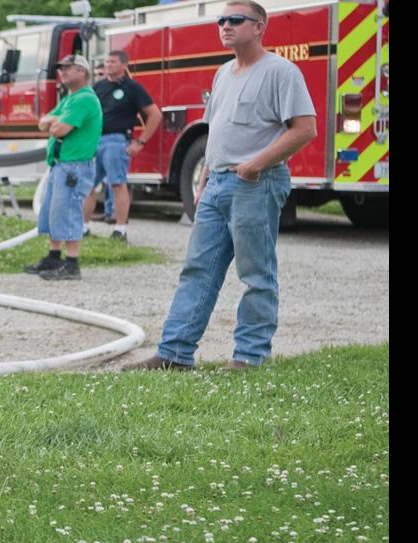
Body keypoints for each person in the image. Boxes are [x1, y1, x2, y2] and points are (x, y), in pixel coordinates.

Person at [126, 2, 316, 371]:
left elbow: (305, 129)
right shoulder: (223, 73)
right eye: (221, 20)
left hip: (256, 183)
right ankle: (174, 354)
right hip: (216, 186)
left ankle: (249, 357)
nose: (225, 26)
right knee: (197, 270)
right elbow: (216, 132)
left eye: (235, 20)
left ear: (259, 26)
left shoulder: (281, 72)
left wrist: (254, 166)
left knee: (256, 273)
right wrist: (206, 176)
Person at [24, 55, 101, 282]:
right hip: (61, 164)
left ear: (83, 72)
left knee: (68, 211)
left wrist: (54, 122)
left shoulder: (84, 99)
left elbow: (59, 130)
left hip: (74, 167)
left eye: (69, 69)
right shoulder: (70, 99)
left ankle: (72, 263)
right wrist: (53, 121)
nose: (63, 72)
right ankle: (54, 257)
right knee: (53, 211)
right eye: (62, 69)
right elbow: (43, 121)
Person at [81, 51, 160, 243]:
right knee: (88, 186)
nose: (108, 65)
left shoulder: (132, 88)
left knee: (117, 184)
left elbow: (155, 115)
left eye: (113, 62)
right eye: (106, 61)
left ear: (124, 65)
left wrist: (140, 142)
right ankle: (82, 227)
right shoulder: (98, 87)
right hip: (95, 141)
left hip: (116, 141)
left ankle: (120, 229)